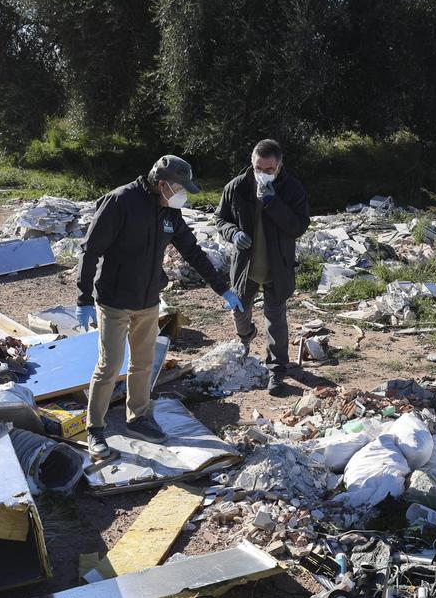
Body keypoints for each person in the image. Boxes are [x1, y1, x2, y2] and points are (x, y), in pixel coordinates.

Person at [76, 154, 243, 459]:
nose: (183, 195)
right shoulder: (121, 201)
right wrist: (84, 298)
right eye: (180, 189)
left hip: (149, 301)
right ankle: (95, 429)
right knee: (110, 365)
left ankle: (138, 417)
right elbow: (90, 251)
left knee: (143, 363)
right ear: (163, 183)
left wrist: (222, 289)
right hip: (114, 300)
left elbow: (192, 251)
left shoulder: (168, 211)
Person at [215, 138, 310, 396]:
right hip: (246, 266)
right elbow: (220, 219)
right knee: (239, 310)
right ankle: (246, 335)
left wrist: (272, 203)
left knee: (276, 319)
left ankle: (277, 371)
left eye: (268, 170)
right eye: (258, 168)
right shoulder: (236, 187)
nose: (262, 174)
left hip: (277, 266)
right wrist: (232, 233)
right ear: (252, 163)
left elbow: (298, 226)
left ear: (279, 167)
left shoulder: (292, 190)